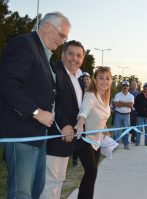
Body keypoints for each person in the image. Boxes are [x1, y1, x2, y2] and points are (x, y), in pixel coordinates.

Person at [0, 12, 70, 199]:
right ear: (47, 26)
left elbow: (49, 97)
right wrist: (36, 112)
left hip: (39, 136)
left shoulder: (44, 55)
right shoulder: (24, 44)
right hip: (21, 134)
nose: (63, 41)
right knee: (21, 194)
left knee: (36, 189)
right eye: (62, 35)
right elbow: (8, 85)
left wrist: (62, 122)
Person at [40, 40, 85, 199]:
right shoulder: (55, 72)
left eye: (79, 55)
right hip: (55, 134)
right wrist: (65, 125)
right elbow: (52, 102)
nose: (75, 58)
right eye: (71, 54)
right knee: (50, 181)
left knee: (59, 180)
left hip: (68, 138)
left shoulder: (79, 77)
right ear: (63, 55)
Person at [74, 66, 112, 199]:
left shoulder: (106, 98)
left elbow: (102, 117)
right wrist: (79, 124)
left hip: (97, 141)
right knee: (91, 172)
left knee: (91, 175)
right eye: (101, 78)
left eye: (107, 78)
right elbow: (84, 111)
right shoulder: (90, 95)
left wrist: (106, 131)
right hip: (85, 140)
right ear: (94, 80)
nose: (104, 81)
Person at [113, 80, 134, 149]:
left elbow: (131, 105)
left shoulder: (131, 96)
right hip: (118, 114)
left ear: (129, 87)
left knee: (126, 130)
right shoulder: (117, 95)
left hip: (127, 115)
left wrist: (121, 102)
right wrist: (126, 104)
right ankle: (115, 145)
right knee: (117, 130)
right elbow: (116, 104)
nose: (125, 87)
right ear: (122, 86)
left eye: (126, 86)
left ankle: (126, 144)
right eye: (124, 85)